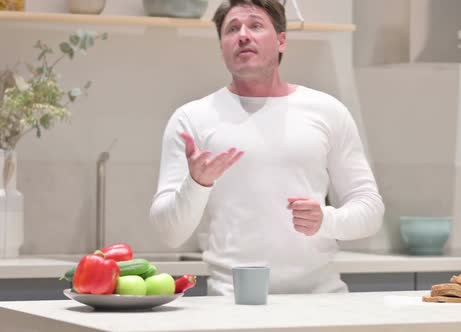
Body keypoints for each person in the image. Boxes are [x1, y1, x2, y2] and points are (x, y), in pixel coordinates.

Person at [150, 0, 384, 295]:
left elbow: (370, 209)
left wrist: (327, 220)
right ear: (222, 47)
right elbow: (169, 233)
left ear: (282, 40)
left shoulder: (327, 111)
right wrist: (197, 183)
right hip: (233, 305)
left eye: (256, 25)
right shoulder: (192, 119)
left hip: (321, 303)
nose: (243, 35)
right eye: (232, 29)